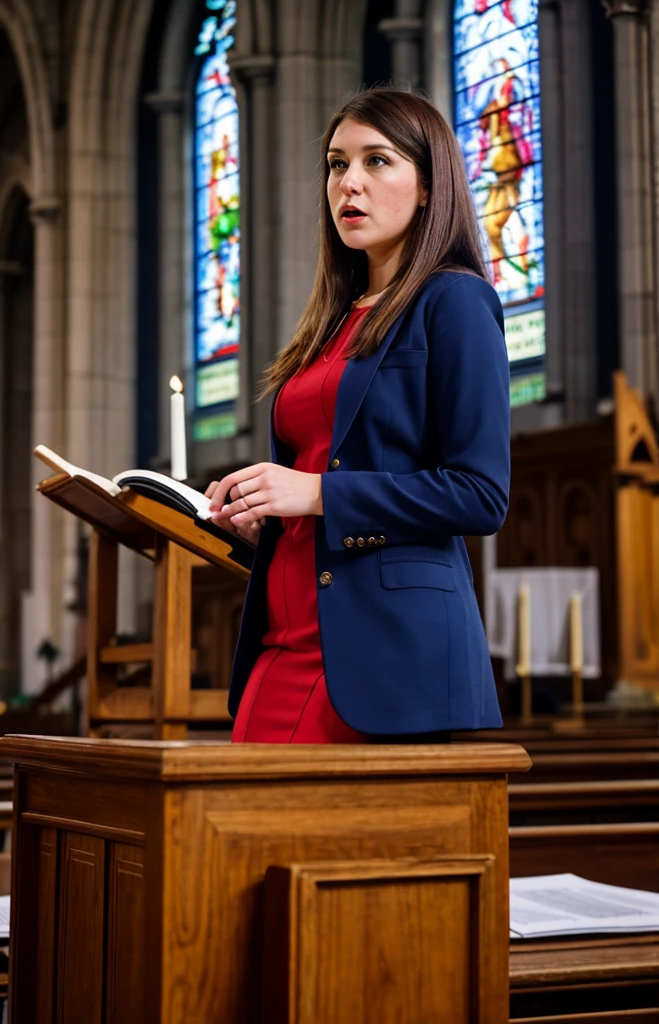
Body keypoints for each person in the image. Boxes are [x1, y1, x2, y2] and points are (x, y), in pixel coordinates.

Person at [206, 87, 510, 744]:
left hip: (382, 660)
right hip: (280, 646)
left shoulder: (454, 301)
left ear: (428, 186)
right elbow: (321, 475)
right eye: (337, 165)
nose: (350, 183)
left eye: (377, 161)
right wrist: (267, 513)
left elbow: (481, 494)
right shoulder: (331, 322)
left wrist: (316, 494)